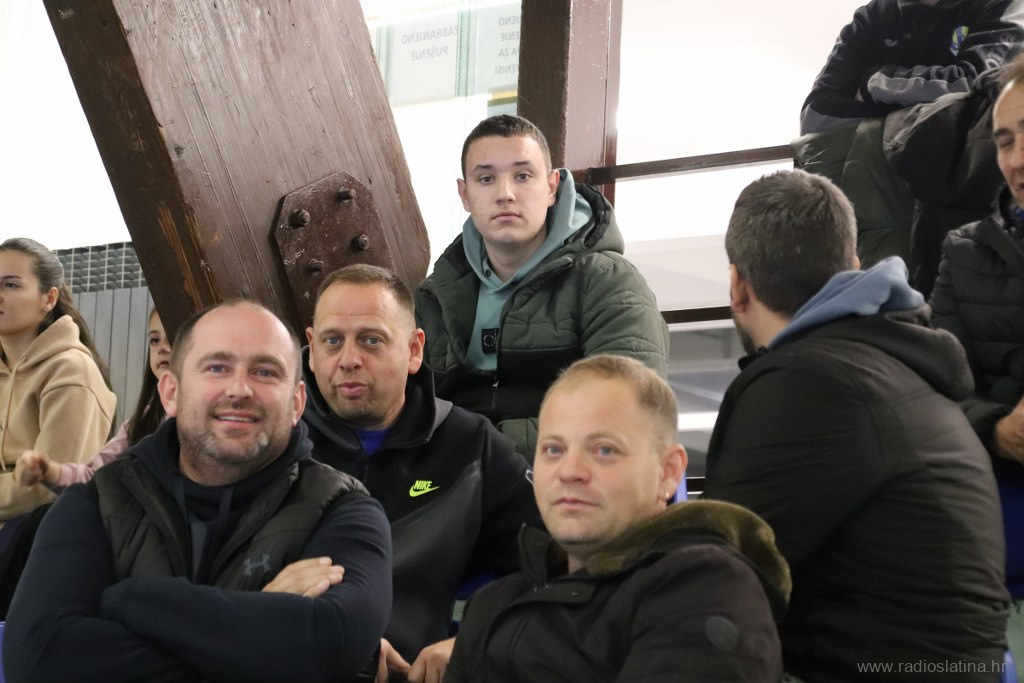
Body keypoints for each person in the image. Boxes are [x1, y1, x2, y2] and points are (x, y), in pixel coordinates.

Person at [702, 169, 1008, 680]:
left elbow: (714, 571)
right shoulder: (899, 364)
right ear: (854, 267)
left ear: (737, 286)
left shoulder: (809, 384)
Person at [4, 301, 393, 683]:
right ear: (170, 393)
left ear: (296, 403)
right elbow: (38, 659)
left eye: (265, 371)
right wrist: (261, 626)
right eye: (217, 367)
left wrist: (134, 599)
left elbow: (333, 643)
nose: (239, 389)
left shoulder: (341, 509)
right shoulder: (97, 503)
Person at [445, 355, 789, 682]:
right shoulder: (491, 605)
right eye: (553, 449)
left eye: (604, 450)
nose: (569, 471)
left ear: (668, 472)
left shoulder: (705, 586)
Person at [301, 264, 540, 683]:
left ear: (414, 350)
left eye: (371, 340)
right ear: (311, 348)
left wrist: (476, 639)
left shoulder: (470, 446)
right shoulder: (276, 445)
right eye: (332, 341)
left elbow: (559, 568)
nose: (349, 360)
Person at [415, 114, 669, 457]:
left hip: (567, 478)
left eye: (522, 176)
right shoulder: (434, 296)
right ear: (465, 194)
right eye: (486, 178)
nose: (505, 194)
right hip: (453, 480)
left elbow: (627, 413)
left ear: (551, 187)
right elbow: (404, 417)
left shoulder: (609, 283)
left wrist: (484, 449)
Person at [793, 0, 1024, 268]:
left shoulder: (1003, 6)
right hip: (872, 227)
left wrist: (873, 82)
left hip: (968, 217)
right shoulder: (874, 16)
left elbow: (973, 82)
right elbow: (817, 113)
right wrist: (915, 112)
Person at [929, 52, 1024, 680]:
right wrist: (999, 428)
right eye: (1005, 141)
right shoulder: (964, 254)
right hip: (1000, 508)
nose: (1016, 160)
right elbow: (936, 397)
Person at [0, 237, 116, 530]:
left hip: (37, 535)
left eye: (10, 285)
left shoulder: (71, 371)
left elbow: (46, 489)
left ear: (49, 299)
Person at [15, 308, 170, 491]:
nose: (162, 348)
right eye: (154, 340)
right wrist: (49, 471)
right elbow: (95, 476)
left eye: (173, 337)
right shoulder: (140, 423)